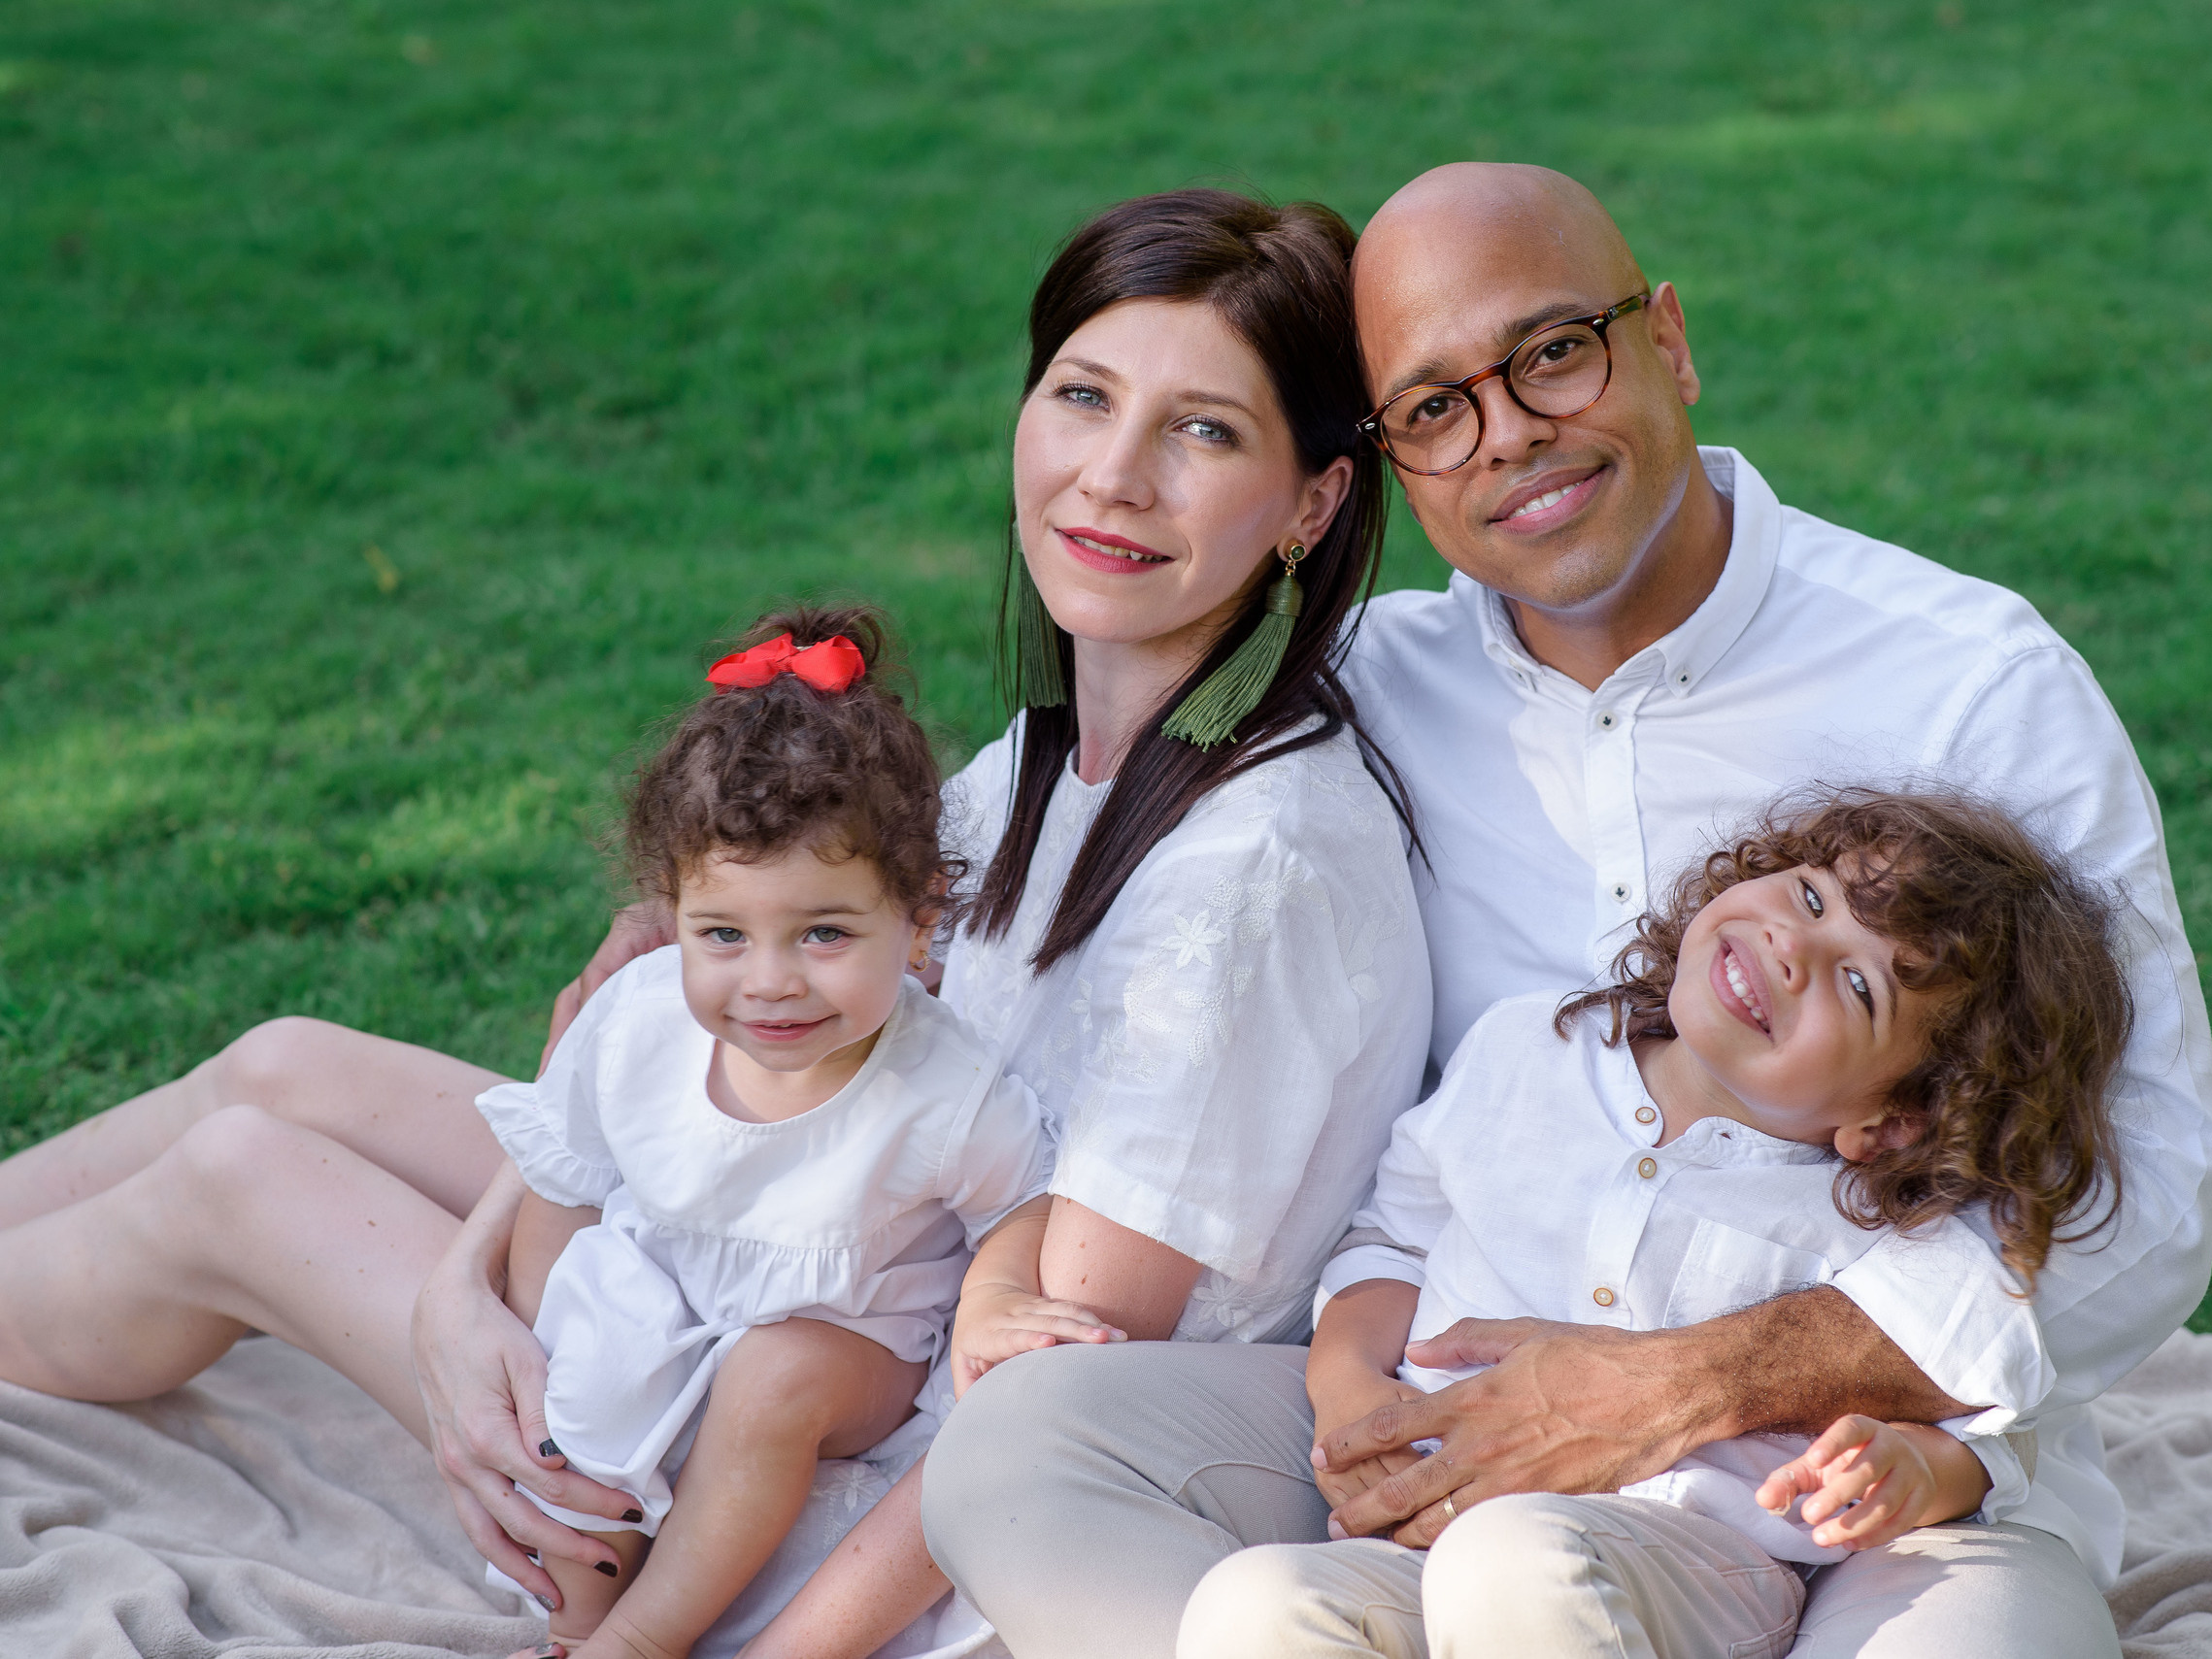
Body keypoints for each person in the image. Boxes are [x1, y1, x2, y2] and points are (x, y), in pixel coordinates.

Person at [0, 188, 1431, 1658]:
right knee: (287, 1069)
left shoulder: (1253, 873)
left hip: (813, 1475)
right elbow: (791, 978)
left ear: (1313, 503)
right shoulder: (1067, 759)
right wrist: (461, 1282)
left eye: (1202, 432)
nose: (1113, 476)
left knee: (245, 1179)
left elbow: (1027, 1411)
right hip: (809, 1244)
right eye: (1083, 396)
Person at [915, 164, 2212, 1657]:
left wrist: (1690, 1383)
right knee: (1030, 1454)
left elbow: (2153, 1192)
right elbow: (1022, 835)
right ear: (1389, 465)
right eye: (1432, 407)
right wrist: (692, 931)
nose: (1510, 435)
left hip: (1859, 1477)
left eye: (1552, 354)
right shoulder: (1376, 694)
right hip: (1447, 1422)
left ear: (1667, 338)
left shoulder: (1972, 680)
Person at [1179, 787, 2132, 1659]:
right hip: (1437, 1530)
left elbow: (1991, 1423)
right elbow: (1394, 1234)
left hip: (1697, 1571)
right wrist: (1343, 1373)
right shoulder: (1528, 1050)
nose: (1794, 948)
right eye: (1809, 897)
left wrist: (1915, 1468)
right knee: (1255, 1601)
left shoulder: (1878, 1221)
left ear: (1894, 1119)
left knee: (1514, 1556)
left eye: (1858, 986)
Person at [474, 603, 1068, 1659]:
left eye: (825, 932)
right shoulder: (640, 1020)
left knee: (771, 1374)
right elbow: (560, 1182)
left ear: (922, 917)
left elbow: (1017, 1199)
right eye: (723, 934)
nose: (770, 981)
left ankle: (644, 1640)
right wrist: (541, 1357)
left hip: (848, 1341)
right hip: (667, 1305)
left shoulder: (941, 1086)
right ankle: (575, 1622)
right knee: (589, 1364)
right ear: (673, 912)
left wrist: (997, 1298)